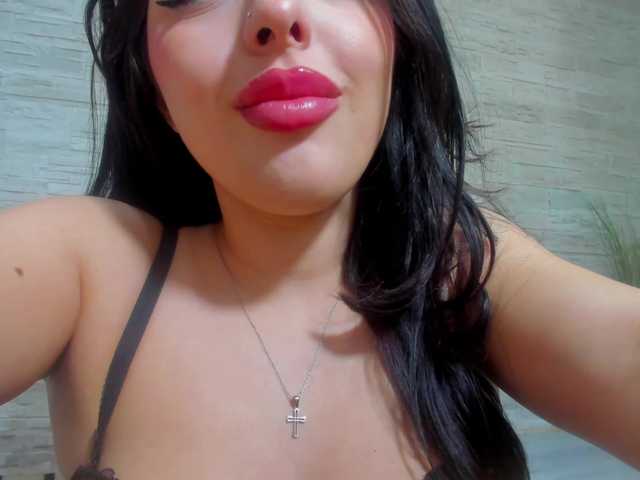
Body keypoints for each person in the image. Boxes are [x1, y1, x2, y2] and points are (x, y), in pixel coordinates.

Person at [0, 0, 638, 479]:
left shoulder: (464, 264)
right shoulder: (87, 266)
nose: (276, 13)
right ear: (152, 82)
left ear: (399, 42)